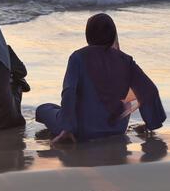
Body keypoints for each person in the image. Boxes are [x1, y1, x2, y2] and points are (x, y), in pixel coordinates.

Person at [36, 13, 166, 144]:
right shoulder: (126, 60)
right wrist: (151, 123)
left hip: (83, 130)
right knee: (57, 109)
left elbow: (69, 92)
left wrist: (67, 129)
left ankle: (66, 125)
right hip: (117, 128)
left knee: (43, 109)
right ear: (113, 34)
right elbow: (149, 90)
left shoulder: (78, 57)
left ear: (89, 34)